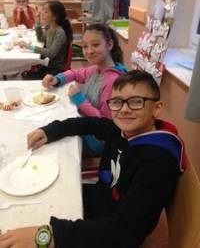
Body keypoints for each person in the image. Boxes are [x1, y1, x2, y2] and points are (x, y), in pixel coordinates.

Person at [0, 70, 187, 248]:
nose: (124, 110)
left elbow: (126, 231)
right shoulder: (123, 130)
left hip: (111, 232)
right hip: (102, 202)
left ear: (157, 108)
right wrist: (49, 131)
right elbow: (89, 123)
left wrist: (49, 236)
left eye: (136, 102)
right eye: (117, 102)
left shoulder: (157, 162)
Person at [42, 23, 127, 155]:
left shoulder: (112, 81)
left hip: (97, 140)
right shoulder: (96, 68)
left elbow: (106, 123)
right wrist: (58, 79)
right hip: (84, 123)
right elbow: (76, 73)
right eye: (85, 46)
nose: (89, 51)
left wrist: (79, 99)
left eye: (95, 45)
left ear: (109, 45)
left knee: (52, 148)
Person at [17, 0, 73, 79]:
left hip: (55, 69)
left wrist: (29, 46)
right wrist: (37, 22)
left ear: (54, 16)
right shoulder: (49, 27)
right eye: (42, 11)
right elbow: (40, 39)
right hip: (48, 64)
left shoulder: (60, 32)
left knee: (25, 76)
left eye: (46, 12)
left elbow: (50, 53)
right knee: (24, 73)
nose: (42, 14)